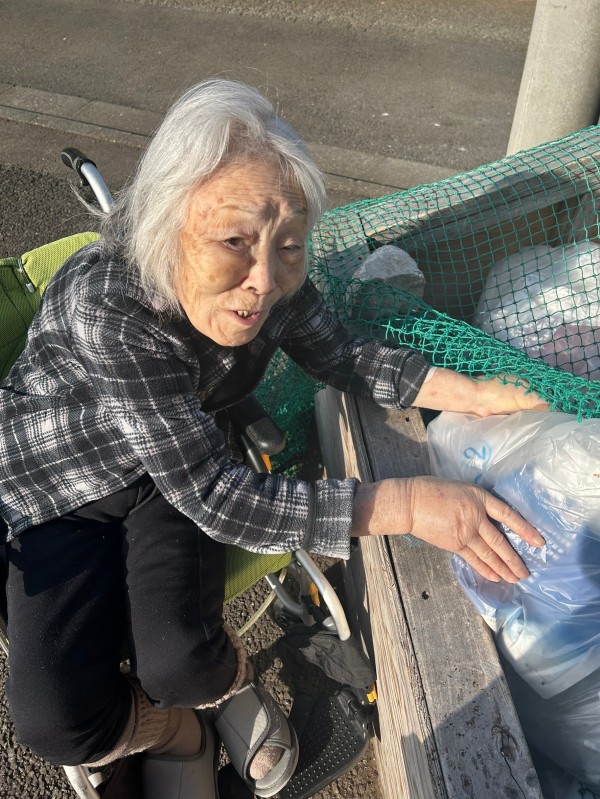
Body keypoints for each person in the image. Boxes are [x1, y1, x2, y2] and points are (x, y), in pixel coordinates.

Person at [0, 79, 547, 799]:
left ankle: (217, 689)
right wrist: (411, 505)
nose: (263, 279)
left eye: (288, 245)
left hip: (171, 471)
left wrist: (474, 393)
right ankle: (177, 730)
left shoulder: (274, 281)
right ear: (167, 222)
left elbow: (343, 354)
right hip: (57, 491)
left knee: (181, 662)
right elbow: (220, 498)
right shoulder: (109, 307)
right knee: (54, 721)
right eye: (234, 240)